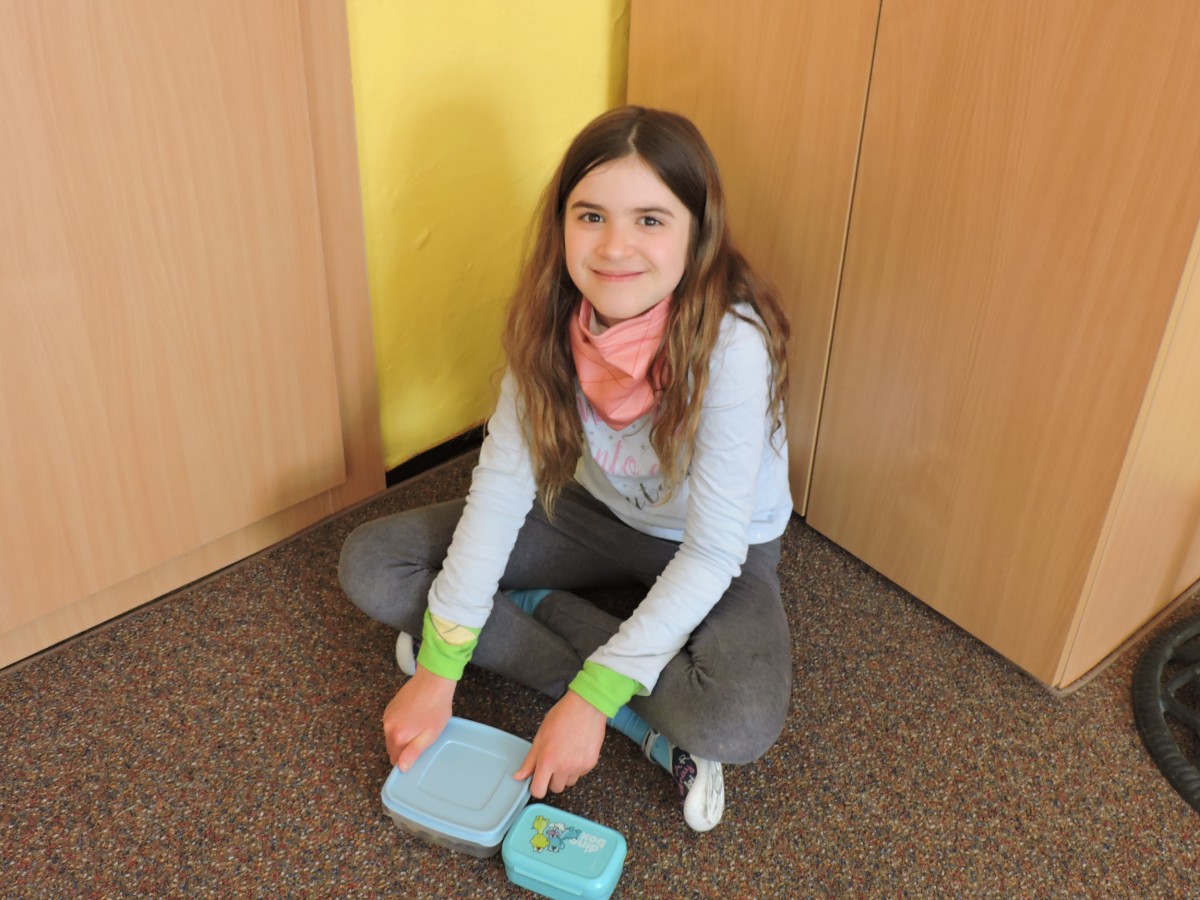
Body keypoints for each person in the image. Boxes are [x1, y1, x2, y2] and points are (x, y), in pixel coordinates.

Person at [339, 105, 793, 832]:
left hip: (721, 548)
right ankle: (617, 698)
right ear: (562, 224)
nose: (615, 247)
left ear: (697, 232)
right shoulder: (550, 317)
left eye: (650, 220)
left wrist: (589, 698)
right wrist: (438, 671)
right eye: (591, 216)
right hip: (592, 516)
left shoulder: (733, 344)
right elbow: (501, 490)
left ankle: (532, 611)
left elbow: (712, 552)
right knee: (373, 563)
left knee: (733, 721)